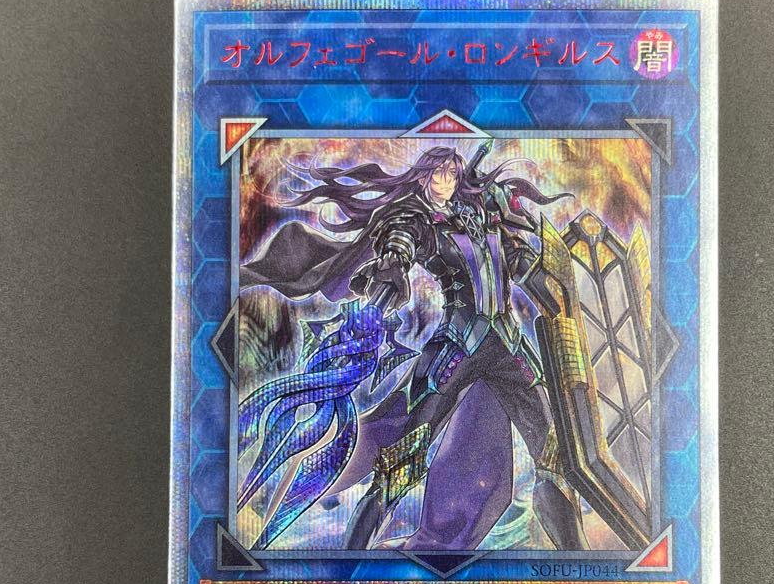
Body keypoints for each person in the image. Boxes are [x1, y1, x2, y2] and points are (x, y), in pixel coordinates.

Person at [239, 145, 588, 551]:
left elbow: (524, 268)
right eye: (438, 173)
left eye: (452, 174)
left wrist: (554, 279)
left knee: (554, 454)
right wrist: (387, 278)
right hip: (455, 350)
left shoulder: (486, 219)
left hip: (507, 348)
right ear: (423, 176)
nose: (445, 182)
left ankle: (576, 556)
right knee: (400, 462)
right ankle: (352, 557)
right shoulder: (419, 222)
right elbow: (399, 252)